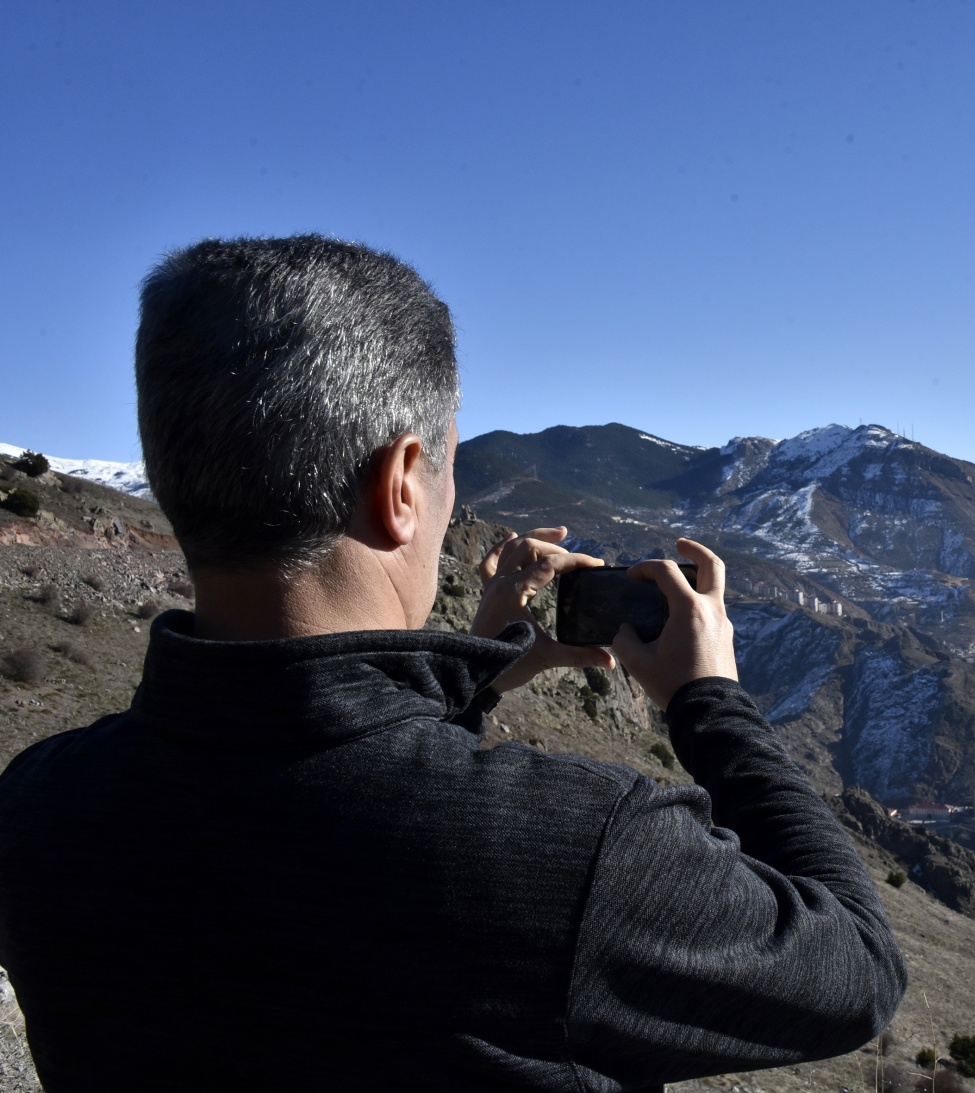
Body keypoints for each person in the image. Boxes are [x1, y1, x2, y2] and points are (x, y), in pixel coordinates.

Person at [0, 235, 906, 1091]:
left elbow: (339, 800)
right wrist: (710, 701)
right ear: (399, 485)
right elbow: (857, 964)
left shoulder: (39, 808)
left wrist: (491, 658)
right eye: (446, 471)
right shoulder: (586, 851)